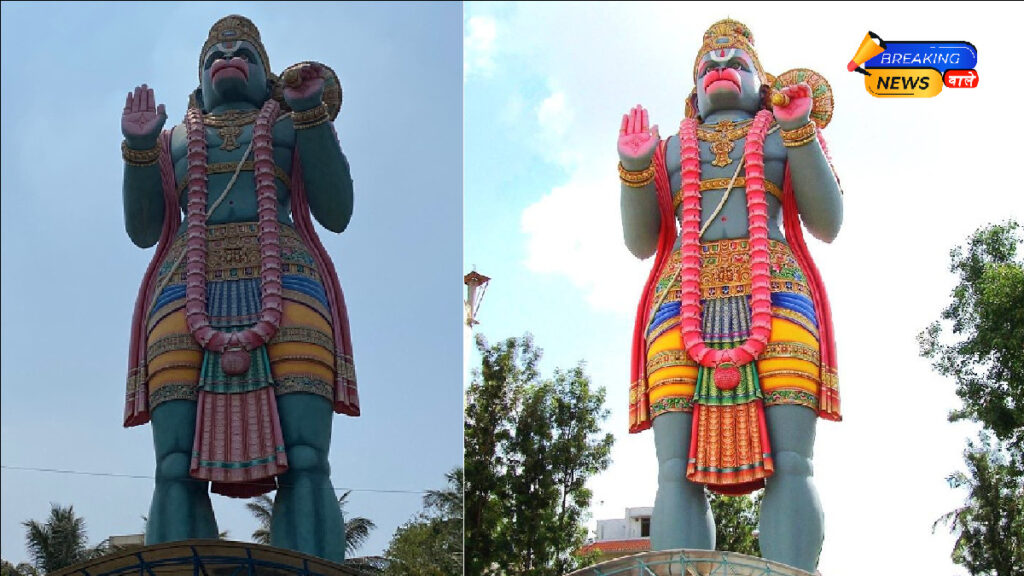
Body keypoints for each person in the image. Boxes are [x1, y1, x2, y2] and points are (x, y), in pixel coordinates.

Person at [120, 14, 356, 562]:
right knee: (174, 464)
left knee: (306, 457)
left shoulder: (292, 123)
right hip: (184, 290)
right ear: (199, 80)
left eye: (244, 52)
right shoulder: (173, 138)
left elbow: (337, 211)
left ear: (267, 74)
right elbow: (141, 229)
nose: (229, 56)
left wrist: (313, 117)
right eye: (215, 55)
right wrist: (137, 151)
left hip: (289, 283)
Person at [618, 19, 842, 573]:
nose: (720, 68)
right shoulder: (668, 149)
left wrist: (800, 132)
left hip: (779, 292)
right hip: (680, 299)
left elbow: (828, 222)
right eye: (708, 66)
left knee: (792, 460)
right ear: (693, 90)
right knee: (674, 468)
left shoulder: (781, 133)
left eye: (736, 63)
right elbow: (640, 242)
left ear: (761, 83)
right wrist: (634, 168)